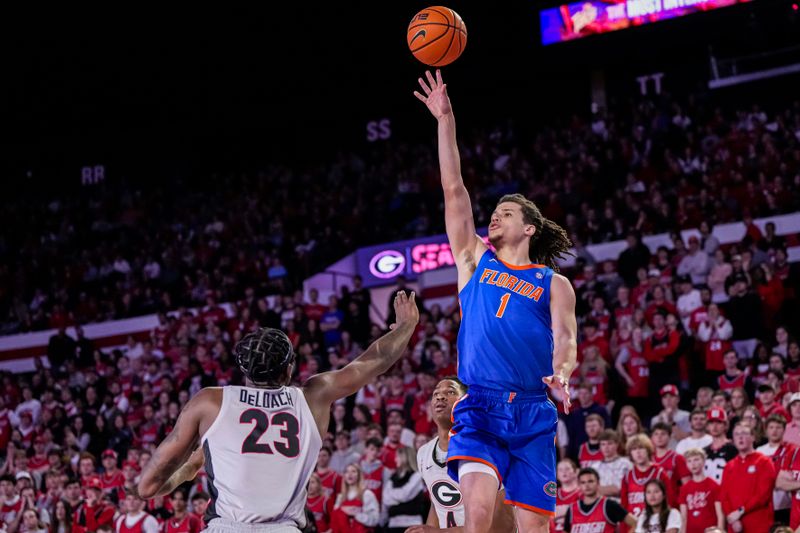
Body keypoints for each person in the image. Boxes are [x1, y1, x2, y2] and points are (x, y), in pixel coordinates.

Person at [415, 70, 577, 533]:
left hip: (531, 410)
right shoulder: (473, 261)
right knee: (478, 516)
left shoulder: (554, 282)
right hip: (480, 407)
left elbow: (566, 338)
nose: (495, 216)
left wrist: (562, 374)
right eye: (495, 212)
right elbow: (454, 190)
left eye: (506, 213)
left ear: (528, 227)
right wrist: (445, 120)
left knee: (534, 530)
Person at [136, 292, 420, 533]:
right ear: (289, 368)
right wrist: (406, 325)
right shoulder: (313, 396)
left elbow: (148, 486)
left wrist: (187, 470)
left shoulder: (210, 401)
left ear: (244, 369)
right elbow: (376, 360)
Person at [408, 377, 514, 532]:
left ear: (466, 403)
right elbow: (438, 505)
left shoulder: (486, 447)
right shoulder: (424, 453)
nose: (440, 396)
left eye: (450, 391)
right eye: (436, 393)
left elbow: (503, 527)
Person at [719, 422, 776, 533]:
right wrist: (733, 519)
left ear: (753, 437)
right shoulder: (729, 466)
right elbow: (724, 497)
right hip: (735, 526)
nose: (740, 437)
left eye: (744, 433)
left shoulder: (764, 462)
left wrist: (740, 511)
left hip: (759, 525)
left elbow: (763, 495)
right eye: (736, 434)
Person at [562, 468, 636, 532]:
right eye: (583, 482)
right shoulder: (572, 509)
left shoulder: (609, 505)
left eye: (590, 481)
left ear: (598, 482)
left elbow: (636, 523)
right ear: (579, 485)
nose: (587, 485)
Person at [620, 434, 671, 519]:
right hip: (634, 526)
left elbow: (670, 501)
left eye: (641, 448)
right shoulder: (627, 477)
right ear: (630, 453)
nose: (638, 452)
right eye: (634, 449)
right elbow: (624, 507)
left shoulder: (660, 473)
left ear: (648, 450)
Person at [677, 448, 723, 533]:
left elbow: (720, 515)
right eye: (689, 461)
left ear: (703, 461)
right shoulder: (684, 489)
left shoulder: (714, 486)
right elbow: (683, 518)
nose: (693, 464)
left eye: (696, 459)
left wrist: (720, 531)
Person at [382, 446, 426, 532]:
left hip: (413, 524)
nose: (395, 460)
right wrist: (399, 499)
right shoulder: (393, 477)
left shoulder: (417, 476)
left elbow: (404, 494)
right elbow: (386, 499)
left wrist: (393, 497)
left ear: (405, 457)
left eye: (397, 457)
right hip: (393, 525)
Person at [329, 464, 379, 533]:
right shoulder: (340, 497)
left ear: (359, 475)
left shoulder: (367, 494)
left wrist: (356, 514)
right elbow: (335, 522)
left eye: (353, 471)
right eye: (347, 472)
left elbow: (375, 520)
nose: (350, 474)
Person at [703, 408, 737, 483]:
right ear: (707, 426)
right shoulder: (704, 451)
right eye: (711, 423)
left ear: (725, 425)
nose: (715, 426)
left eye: (718, 422)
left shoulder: (733, 449)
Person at [594, 430, 631, 499]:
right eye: (603, 444)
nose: (606, 447)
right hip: (599, 505)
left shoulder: (625, 464)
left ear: (617, 445)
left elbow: (618, 489)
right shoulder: (595, 467)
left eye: (610, 444)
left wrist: (595, 489)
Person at [552, 460, 580, 532]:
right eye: (560, 470)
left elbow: (580, 515)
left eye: (567, 469)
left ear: (575, 472)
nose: (564, 472)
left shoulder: (582, 493)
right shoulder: (552, 494)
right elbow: (546, 517)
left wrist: (556, 514)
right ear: (556, 474)